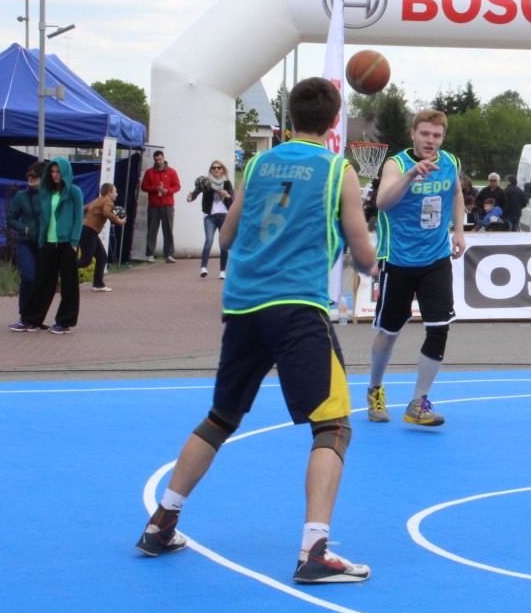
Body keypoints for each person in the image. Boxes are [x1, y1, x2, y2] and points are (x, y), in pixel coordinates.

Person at [135, 76, 378, 583]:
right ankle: (315, 551)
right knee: (333, 426)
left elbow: (227, 235)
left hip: (245, 304)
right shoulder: (339, 170)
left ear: (291, 117)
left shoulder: (259, 164)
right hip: (296, 306)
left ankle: (161, 523)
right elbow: (361, 251)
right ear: (335, 120)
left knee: (220, 417)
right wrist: (377, 266)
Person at [368, 109, 466, 427]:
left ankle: (418, 402)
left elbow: (456, 193)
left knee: (439, 327)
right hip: (398, 259)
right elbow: (382, 202)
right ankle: (375, 388)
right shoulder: (396, 165)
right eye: (425, 134)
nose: (430, 140)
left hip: (436, 258)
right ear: (413, 134)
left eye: (437, 135)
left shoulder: (450, 162)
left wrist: (459, 231)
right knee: (389, 332)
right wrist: (411, 175)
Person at [12, 158, 84, 334]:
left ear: (65, 172)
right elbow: (46, 217)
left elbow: (78, 218)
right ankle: (31, 320)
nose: (55, 175)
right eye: (52, 172)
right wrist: (42, 240)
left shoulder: (74, 191)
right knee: (42, 283)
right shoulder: (47, 192)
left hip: (67, 243)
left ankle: (64, 322)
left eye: (58, 171)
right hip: (48, 243)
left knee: (68, 285)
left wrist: (74, 242)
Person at [6, 161, 46, 322]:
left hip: (44, 243)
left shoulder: (49, 196)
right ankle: (24, 315)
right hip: (26, 243)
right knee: (29, 277)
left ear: (43, 178)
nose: (30, 178)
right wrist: (23, 228)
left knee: (42, 281)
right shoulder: (21, 196)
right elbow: (10, 219)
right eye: (28, 175)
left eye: (34, 175)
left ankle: (38, 316)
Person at [187, 159, 234, 279]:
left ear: (222, 170)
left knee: (223, 243)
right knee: (209, 240)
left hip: (223, 216)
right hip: (210, 217)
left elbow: (233, 200)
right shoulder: (206, 182)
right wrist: (190, 197)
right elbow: (195, 193)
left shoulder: (227, 183)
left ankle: (222, 271)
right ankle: (203, 268)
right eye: (214, 168)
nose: (216, 169)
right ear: (211, 170)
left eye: (219, 168)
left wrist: (228, 196)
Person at [77, 183, 126, 292]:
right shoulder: (108, 201)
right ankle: (62, 267)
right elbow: (106, 213)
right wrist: (119, 221)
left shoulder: (97, 200)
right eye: (115, 191)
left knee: (102, 257)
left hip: (88, 230)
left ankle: (98, 284)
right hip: (89, 231)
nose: (117, 194)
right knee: (86, 260)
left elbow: (83, 208)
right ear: (109, 193)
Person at [141, 149, 181, 263]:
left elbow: (177, 186)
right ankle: (150, 254)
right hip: (154, 205)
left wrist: (167, 190)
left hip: (167, 205)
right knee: (152, 230)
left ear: (163, 158)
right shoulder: (149, 172)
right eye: (156, 160)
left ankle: (169, 254)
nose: (158, 162)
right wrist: (155, 188)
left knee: (168, 230)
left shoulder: (171, 172)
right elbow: (144, 186)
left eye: (160, 159)